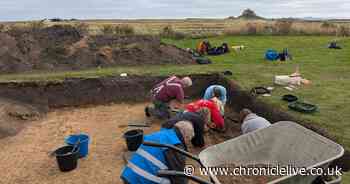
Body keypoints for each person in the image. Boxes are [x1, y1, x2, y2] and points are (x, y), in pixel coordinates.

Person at [121, 119, 201, 184]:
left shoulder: (160, 134)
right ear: (185, 136)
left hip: (129, 175)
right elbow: (178, 178)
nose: (187, 143)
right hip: (142, 180)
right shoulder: (175, 145)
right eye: (188, 140)